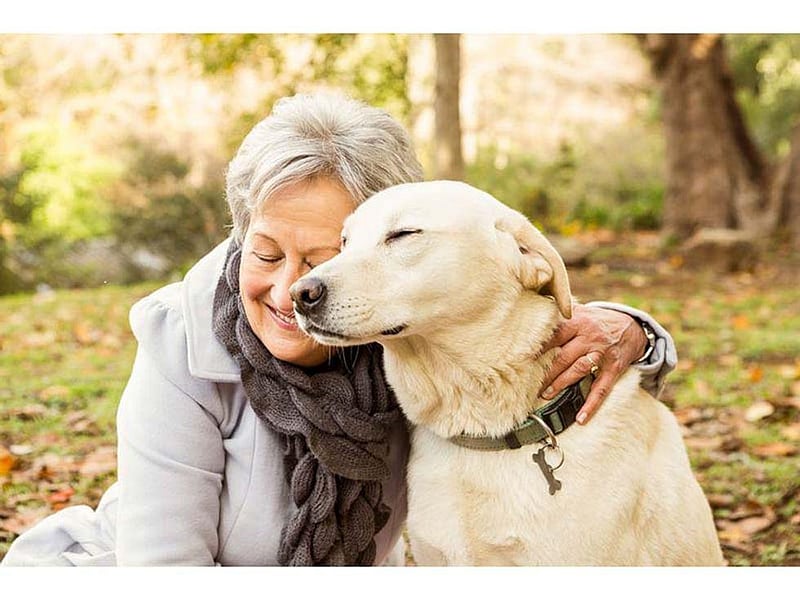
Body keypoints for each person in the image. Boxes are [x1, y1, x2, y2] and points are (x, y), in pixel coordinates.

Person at [1, 92, 676, 566]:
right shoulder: (182, 345)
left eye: (324, 260)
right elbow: (162, 573)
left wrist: (636, 330)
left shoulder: (402, 339)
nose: (295, 287)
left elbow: (507, 328)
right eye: (265, 253)